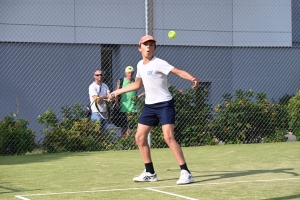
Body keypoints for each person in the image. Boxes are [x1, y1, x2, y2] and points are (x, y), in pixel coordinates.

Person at [108, 35, 199, 185]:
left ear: (154, 48)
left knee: (168, 137)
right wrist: (117, 92)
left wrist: (192, 79)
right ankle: (150, 172)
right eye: (145, 45)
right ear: (140, 48)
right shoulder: (140, 65)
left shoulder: (159, 63)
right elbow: (137, 85)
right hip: (149, 106)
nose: (148, 47)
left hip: (164, 104)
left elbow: (178, 71)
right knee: (139, 138)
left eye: (151, 45)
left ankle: (186, 172)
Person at [114, 66, 145, 137]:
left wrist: (140, 95)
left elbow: (146, 87)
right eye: (128, 73)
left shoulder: (136, 81)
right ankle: (124, 141)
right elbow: (116, 92)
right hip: (123, 107)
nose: (130, 74)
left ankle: (132, 142)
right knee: (124, 127)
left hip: (133, 108)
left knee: (132, 127)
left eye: (131, 73)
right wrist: (117, 103)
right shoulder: (121, 81)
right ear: (125, 73)